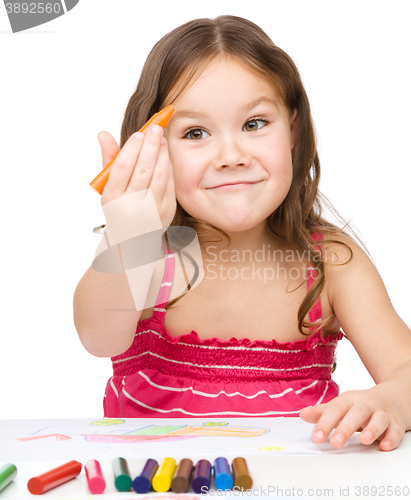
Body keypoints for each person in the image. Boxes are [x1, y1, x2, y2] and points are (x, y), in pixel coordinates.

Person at [73, 15, 411, 451]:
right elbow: (97, 338)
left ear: (291, 129)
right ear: (154, 150)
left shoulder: (329, 263)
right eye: (196, 133)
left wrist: (390, 398)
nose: (230, 156)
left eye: (254, 124)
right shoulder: (146, 256)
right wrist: (128, 239)